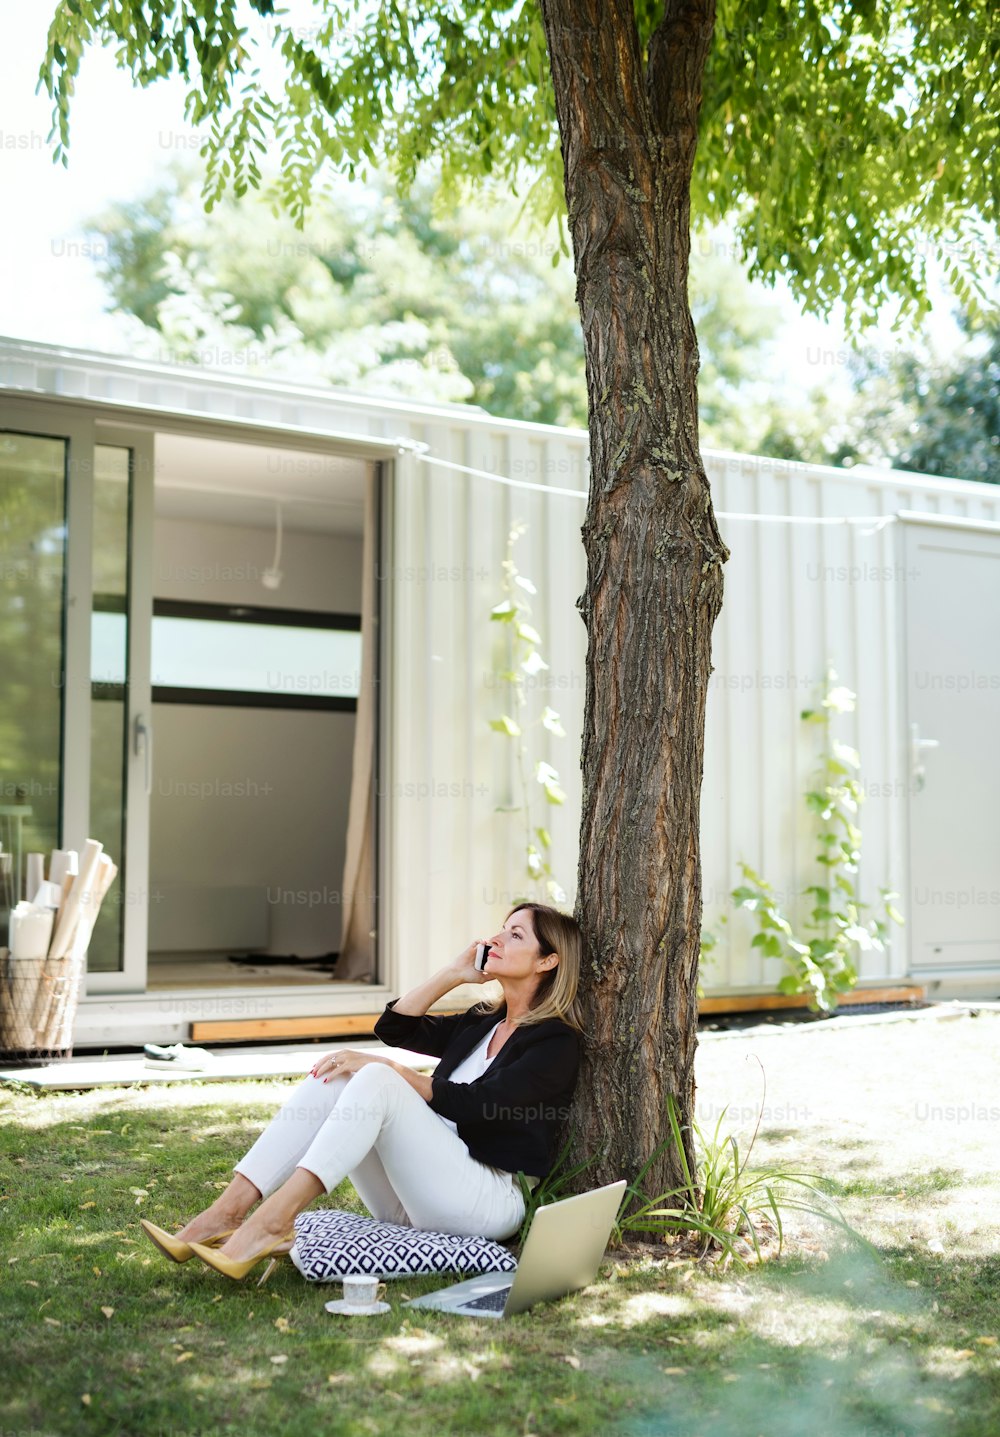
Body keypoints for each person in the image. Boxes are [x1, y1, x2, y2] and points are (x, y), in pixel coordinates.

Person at [140, 903, 583, 1281]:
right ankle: (228, 1212)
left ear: (548, 961)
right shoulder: (483, 1021)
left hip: (486, 1201)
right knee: (339, 1073)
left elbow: (483, 1107)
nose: (496, 938)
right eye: (501, 929)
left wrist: (389, 1069)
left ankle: (273, 1221)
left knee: (376, 1076)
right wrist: (452, 974)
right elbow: (394, 1027)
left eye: (515, 934)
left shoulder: (554, 1041)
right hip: (416, 1201)